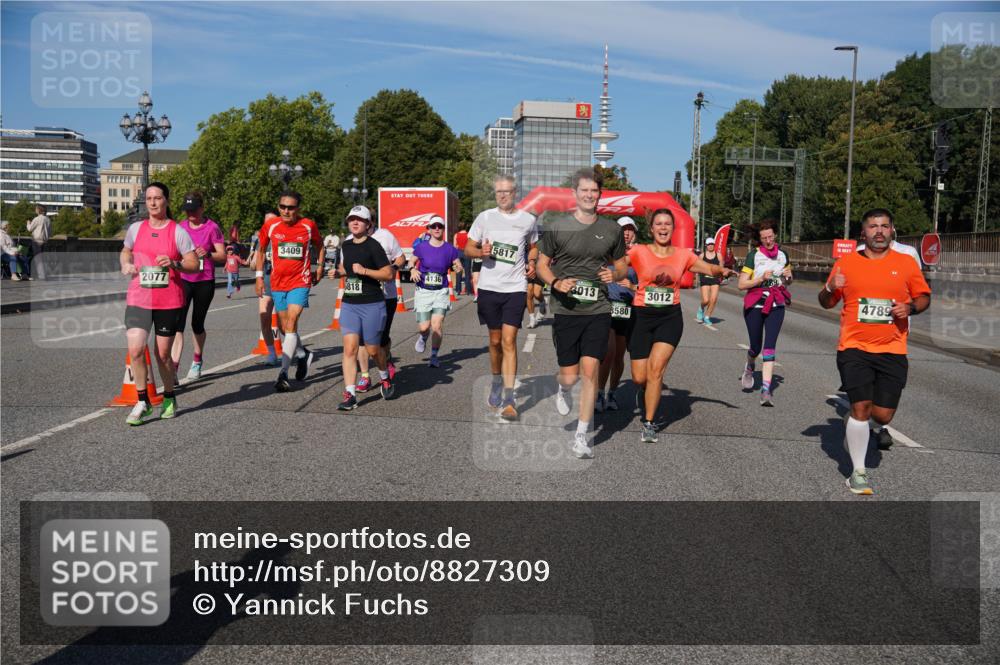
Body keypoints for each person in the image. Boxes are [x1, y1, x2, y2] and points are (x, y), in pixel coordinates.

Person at [819, 208, 931, 495]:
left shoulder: (906, 263)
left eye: (884, 226)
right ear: (863, 232)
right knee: (860, 407)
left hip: (893, 348)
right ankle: (858, 472)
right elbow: (826, 302)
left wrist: (910, 308)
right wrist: (831, 286)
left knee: (882, 416)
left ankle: (855, 427)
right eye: (873, 226)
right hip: (854, 347)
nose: (879, 231)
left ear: (892, 230)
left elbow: (924, 296)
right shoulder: (846, 263)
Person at [536, 168, 628, 458]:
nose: (589, 195)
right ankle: (562, 390)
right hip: (566, 309)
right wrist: (555, 282)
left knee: (590, 372)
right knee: (569, 375)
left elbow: (622, 265)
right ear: (575, 193)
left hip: (598, 309)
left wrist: (615, 273)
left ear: (600, 194)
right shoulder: (557, 227)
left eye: (594, 191)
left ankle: (581, 435)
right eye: (584, 190)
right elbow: (541, 264)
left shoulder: (612, 230)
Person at [628, 209, 732, 442]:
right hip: (641, 318)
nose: (663, 228)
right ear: (651, 229)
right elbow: (616, 263)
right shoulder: (639, 251)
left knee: (656, 371)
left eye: (667, 224)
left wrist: (721, 270)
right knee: (639, 377)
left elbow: (709, 268)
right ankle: (644, 391)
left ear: (673, 229)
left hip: (669, 318)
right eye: (659, 224)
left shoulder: (683, 255)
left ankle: (649, 423)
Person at [119, 182, 199, 425]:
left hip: (167, 300)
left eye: (157, 198)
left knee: (163, 354)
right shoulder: (135, 228)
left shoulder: (178, 232)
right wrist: (126, 263)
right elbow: (125, 251)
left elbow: (193, 264)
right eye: (149, 198)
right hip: (139, 298)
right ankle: (142, 401)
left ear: (166, 201)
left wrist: (174, 263)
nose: (152, 202)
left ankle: (169, 397)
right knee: (135, 349)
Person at [466, 174, 539, 422]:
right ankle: (496, 379)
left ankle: (509, 398)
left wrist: (531, 261)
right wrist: (480, 251)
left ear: (515, 193)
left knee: (509, 340)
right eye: (499, 192)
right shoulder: (485, 217)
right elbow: (468, 248)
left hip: (515, 287)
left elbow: (534, 245)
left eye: (507, 191)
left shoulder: (528, 220)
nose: (503, 196)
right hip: (489, 287)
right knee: (495, 341)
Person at [254, 190, 324, 392]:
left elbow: (319, 244)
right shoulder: (271, 225)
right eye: (282, 206)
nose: (286, 211)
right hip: (277, 282)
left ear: (298, 208)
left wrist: (319, 266)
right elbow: (260, 250)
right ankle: (303, 355)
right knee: (285, 329)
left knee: (292, 322)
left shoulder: (308, 226)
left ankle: (283, 374)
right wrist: (259, 277)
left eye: (291, 207)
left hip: (300, 281)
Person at [333, 206, 395, 410]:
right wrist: (339, 273)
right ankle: (349, 394)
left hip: (372, 304)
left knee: (373, 350)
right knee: (349, 348)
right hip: (350, 303)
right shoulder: (346, 245)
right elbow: (347, 269)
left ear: (368, 224)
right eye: (351, 219)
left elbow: (388, 274)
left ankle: (384, 376)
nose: (355, 222)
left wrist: (366, 270)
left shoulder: (374, 246)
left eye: (360, 220)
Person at [171, 192, 226, 380]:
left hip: (204, 281)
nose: (191, 214)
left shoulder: (212, 228)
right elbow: (174, 251)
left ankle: (197, 360)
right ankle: (174, 368)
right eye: (187, 211)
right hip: (184, 279)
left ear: (202, 208)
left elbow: (222, 255)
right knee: (178, 324)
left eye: (194, 210)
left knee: (197, 324)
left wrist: (208, 254)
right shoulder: (180, 227)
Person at [739, 219, 793, 406]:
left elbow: (787, 281)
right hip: (755, 305)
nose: (768, 241)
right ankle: (749, 366)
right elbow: (741, 284)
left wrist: (788, 278)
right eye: (764, 238)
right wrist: (761, 279)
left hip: (776, 305)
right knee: (755, 346)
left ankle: (765, 390)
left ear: (775, 235)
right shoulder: (753, 256)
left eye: (770, 237)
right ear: (759, 239)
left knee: (769, 347)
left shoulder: (783, 254)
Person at [356, 209, 405, 392]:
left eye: (363, 220)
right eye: (355, 219)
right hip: (361, 296)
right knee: (362, 339)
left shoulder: (385, 236)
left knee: (381, 339)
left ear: (371, 221)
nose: (359, 223)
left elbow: (401, 258)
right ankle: (365, 376)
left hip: (386, 295)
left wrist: (392, 268)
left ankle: (387, 357)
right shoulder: (349, 240)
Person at [596, 217, 640, 413]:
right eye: (623, 229)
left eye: (630, 229)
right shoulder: (606, 251)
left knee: (619, 357)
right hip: (607, 306)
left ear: (635, 233)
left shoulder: (639, 255)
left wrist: (633, 287)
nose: (626, 232)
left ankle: (612, 392)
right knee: (608, 353)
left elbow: (647, 285)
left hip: (628, 309)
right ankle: (598, 393)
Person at [411, 215, 464, 367]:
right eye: (433, 226)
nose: (436, 229)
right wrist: (412, 269)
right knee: (424, 327)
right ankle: (422, 337)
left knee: (437, 325)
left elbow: (457, 264)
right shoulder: (422, 247)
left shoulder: (450, 249)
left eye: (439, 226)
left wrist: (458, 267)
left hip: (441, 291)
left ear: (443, 229)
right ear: (429, 229)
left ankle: (434, 355)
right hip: (423, 291)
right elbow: (411, 260)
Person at [248, 216, 279, 365]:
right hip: (266, 284)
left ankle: (299, 352)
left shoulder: (284, 237)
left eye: (272, 221)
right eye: (266, 221)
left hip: (283, 285)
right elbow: (252, 265)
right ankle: (272, 354)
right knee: (265, 320)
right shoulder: (261, 240)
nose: (269, 224)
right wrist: (257, 260)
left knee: (285, 325)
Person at [696, 237, 722, 325]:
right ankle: (701, 308)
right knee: (706, 300)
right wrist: (697, 277)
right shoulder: (702, 256)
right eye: (709, 244)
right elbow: (698, 267)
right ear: (706, 245)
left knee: (713, 299)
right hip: (705, 278)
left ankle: (707, 317)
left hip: (715, 279)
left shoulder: (718, 255)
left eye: (712, 244)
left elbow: (721, 267)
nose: (711, 246)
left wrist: (722, 275)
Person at [27, 204, 51, 279]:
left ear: (39, 210)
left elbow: (30, 229)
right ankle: (43, 274)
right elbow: (50, 232)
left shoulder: (37, 219)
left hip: (37, 240)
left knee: (37, 258)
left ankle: (41, 275)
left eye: (36, 209)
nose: (35, 210)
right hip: (45, 241)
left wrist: (28, 223)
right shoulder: (48, 219)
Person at [453, 224, 472, 295]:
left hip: (458, 253)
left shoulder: (456, 235)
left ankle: (458, 290)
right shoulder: (468, 234)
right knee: (467, 272)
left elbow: (454, 246)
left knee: (458, 272)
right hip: (467, 253)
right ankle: (468, 290)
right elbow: (470, 244)